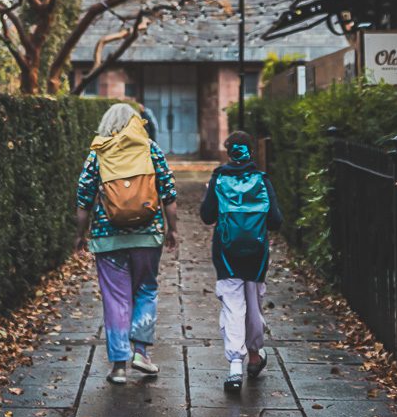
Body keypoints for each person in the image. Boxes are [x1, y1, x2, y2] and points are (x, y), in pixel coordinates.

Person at [75, 103, 179, 385]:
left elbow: (84, 198)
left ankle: (119, 365)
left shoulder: (98, 153)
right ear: (136, 123)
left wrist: (80, 234)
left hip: (108, 239)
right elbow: (168, 192)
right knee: (145, 290)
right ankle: (142, 354)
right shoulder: (150, 149)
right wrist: (173, 229)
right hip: (147, 235)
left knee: (115, 298)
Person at [199, 130, 283, 393]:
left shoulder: (219, 178)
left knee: (233, 306)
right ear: (251, 151)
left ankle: (235, 366)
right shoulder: (262, 180)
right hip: (257, 254)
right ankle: (255, 356)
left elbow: (207, 216)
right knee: (254, 305)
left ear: (228, 152)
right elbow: (276, 221)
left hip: (226, 252)